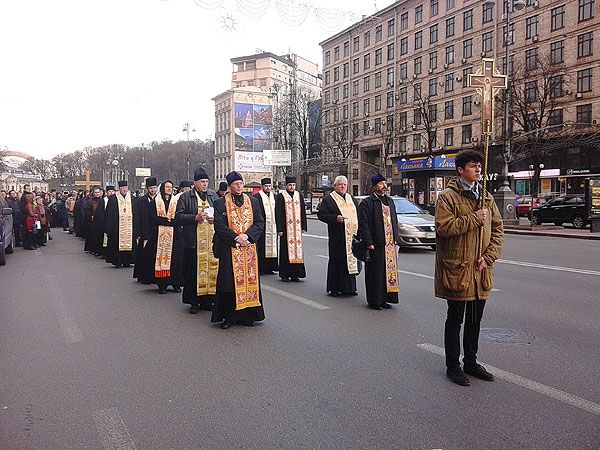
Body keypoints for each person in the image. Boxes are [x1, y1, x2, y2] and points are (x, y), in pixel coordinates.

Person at [434, 149, 504, 386]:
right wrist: (474, 218)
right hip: (457, 269)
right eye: (473, 166)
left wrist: (489, 257)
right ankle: (453, 365)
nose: (478, 170)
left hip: (480, 269)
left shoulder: (487, 197)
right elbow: (444, 228)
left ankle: (471, 362)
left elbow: (497, 230)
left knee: (475, 320)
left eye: (479, 166)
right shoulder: (448, 197)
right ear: (460, 169)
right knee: (455, 319)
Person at [211, 171, 265, 329]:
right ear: (230, 186)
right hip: (230, 248)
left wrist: (247, 237)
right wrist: (236, 237)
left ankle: (248, 315)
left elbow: (260, 222)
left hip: (249, 248)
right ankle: (228, 317)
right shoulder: (220, 203)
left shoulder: (253, 202)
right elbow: (219, 225)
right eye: (236, 184)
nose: (239, 186)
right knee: (228, 283)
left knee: (249, 280)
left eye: (241, 183)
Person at [175, 168, 219, 314]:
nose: (205, 184)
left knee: (211, 270)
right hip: (193, 241)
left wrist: (216, 219)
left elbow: (220, 214)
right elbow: (179, 217)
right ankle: (194, 302)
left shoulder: (213, 195)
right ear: (195, 183)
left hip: (211, 242)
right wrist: (195, 217)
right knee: (193, 272)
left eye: (206, 182)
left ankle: (208, 300)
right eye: (202, 182)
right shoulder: (186, 197)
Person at [357, 174, 400, 310]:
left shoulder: (389, 201)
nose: (384, 186)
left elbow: (394, 221)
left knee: (388, 273)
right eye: (381, 184)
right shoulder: (367, 203)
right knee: (375, 274)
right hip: (375, 244)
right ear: (374, 186)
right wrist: (368, 242)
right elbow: (363, 224)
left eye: (385, 183)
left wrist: (396, 240)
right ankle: (375, 300)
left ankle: (386, 299)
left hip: (389, 244)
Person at [317, 175, 360, 297]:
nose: (342, 186)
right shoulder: (329, 199)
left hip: (351, 237)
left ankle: (349, 288)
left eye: (345, 184)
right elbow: (321, 215)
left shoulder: (351, 198)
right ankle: (334, 288)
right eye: (340, 184)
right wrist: (335, 218)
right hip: (337, 237)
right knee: (337, 261)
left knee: (350, 261)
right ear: (335, 186)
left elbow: (358, 215)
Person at [143, 181, 184, 294]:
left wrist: (170, 222)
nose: (169, 189)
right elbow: (151, 218)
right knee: (159, 258)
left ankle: (176, 283)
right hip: (159, 234)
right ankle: (162, 284)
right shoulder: (155, 202)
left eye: (171, 187)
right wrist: (166, 221)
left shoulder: (177, 201)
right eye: (167, 187)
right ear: (162, 188)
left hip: (175, 235)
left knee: (176, 260)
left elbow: (179, 216)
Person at [275, 176, 307, 282]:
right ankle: (285, 274)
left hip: (296, 229)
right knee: (285, 251)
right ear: (286, 186)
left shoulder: (299, 196)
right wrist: (279, 229)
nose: (292, 187)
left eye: (293, 185)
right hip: (285, 229)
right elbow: (278, 213)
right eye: (290, 185)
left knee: (298, 251)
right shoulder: (281, 196)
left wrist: (304, 226)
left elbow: (303, 212)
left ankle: (295, 274)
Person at [104, 181, 138, 268]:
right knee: (116, 243)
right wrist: (109, 228)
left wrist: (137, 227)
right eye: (122, 188)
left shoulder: (133, 199)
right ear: (119, 189)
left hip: (130, 226)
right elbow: (108, 214)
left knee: (130, 243)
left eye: (125, 188)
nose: (124, 190)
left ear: (127, 188)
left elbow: (136, 213)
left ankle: (127, 261)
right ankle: (117, 261)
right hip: (116, 226)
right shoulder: (113, 198)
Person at [133, 177, 158, 283]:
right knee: (144, 254)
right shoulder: (141, 201)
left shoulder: (159, 200)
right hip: (144, 231)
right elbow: (137, 217)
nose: (152, 190)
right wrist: (138, 232)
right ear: (147, 189)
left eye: (154, 188)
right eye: (150, 188)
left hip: (156, 231)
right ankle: (143, 275)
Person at [253, 177, 278, 275]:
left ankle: (270, 267)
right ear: (262, 186)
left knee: (273, 246)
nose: (268, 188)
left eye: (269, 186)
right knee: (261, 247)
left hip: (273, 226)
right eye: (266, 186)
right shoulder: (257, 197)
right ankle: (261, 268)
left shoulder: (274, 196)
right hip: (262, 227)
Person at [83, 186, 106, 256]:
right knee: (93, 236)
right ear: (93, 193)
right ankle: (93, 249)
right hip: (92, 221)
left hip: (101, 221)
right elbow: (86, 210)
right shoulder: (90, 201)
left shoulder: (103, 200)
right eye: (96, 192)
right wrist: (91, 216)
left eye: (98, 192)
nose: (97, 194)